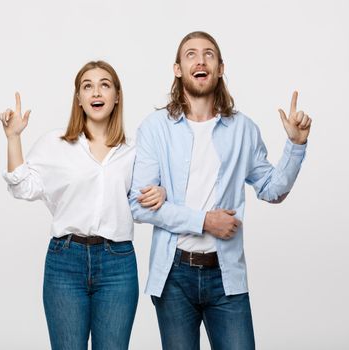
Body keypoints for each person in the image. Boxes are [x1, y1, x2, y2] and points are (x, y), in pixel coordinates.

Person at [129, 31, 312, 350]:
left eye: (209, 54)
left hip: (226, 275)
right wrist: (204, 221)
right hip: (173, 277)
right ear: (177, 69)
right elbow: (139, 206)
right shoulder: (154, 129)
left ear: (221, 67)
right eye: (191, 54)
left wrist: (296, 145)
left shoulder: (243, 129)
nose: (200, 60)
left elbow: (272, 190)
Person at [0, 60, 166, 350]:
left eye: (104, 85)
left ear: (117, 96)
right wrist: (14, 138)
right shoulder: (56, 143)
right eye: (87, 86)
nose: (96, 92)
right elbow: (23, 187)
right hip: (66, 260)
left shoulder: (134, 150)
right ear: (78, 99)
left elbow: (142, 201)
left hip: (118, 263)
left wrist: (161, 192)